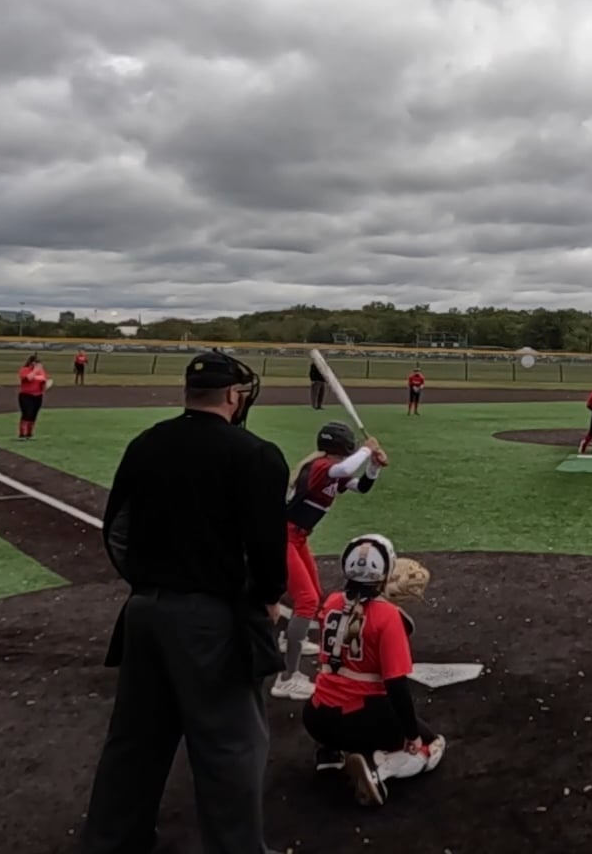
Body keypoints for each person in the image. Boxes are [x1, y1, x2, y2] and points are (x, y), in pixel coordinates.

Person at [79, 352, 290, 854]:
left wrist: (149, 584)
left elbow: (117, 531)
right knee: (230, 745)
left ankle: (112, 842)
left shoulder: (146, 443)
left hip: (144, 613)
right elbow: (266, 547)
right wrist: (267, 598)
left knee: (134, 741)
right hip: (212, 621)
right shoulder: (257, 455)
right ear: (234, 396)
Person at [303, 533, 445, 807]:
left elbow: (354, 618)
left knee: (336, 677)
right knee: (431, 746)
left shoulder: (331, 602)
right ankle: (379, 770)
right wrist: (412, 735)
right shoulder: (388, 617)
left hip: (315, 717)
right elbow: (396, 686)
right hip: (358, 720)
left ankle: (329, 754)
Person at [271, 423, 389, 701]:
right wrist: (367, 449)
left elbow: (361, 486)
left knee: (314, 594)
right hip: (282, 537)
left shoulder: (330, 470)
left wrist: (374, 466)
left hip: (297, 538)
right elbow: (346, 469)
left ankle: (291, 639)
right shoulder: (322, 466)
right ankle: (286, 678)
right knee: (307, 601)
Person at [16, 355, 51, 440]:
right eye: (36, 363)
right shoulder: (25, 370)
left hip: (37, 395)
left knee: (33, 414)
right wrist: (35, 370)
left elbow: (43, 383)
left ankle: (29, 433)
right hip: (26, 395)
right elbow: (28, 378)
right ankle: (22, 433)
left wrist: (46, 384)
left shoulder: (42, 372)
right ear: (32, 363)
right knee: (27, 413)